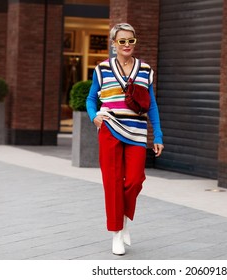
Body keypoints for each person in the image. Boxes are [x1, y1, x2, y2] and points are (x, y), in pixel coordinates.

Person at [86, 23, 164, 255]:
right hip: (109, 128)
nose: (127, 45)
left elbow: (152, 105)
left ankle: (123, 220)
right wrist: (94, 117)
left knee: (134, 180)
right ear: (113, 44)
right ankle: (116, 234)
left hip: (137, 132)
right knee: (112, 183)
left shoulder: (146, 70)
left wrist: (157, 134)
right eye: (122, 41)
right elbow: (91, 99)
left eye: (131, 40)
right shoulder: (101, 69)